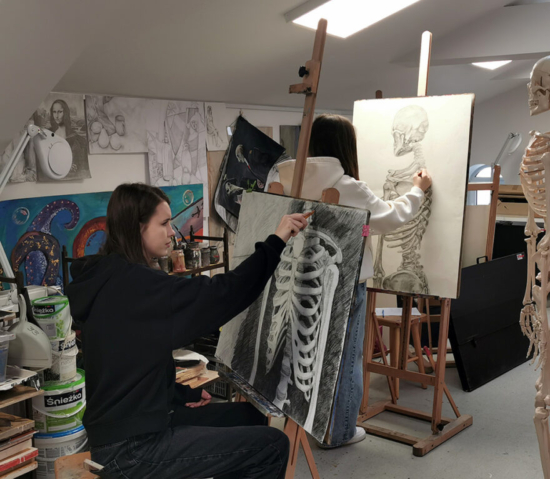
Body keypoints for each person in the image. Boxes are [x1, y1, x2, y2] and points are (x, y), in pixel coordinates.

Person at [67, 183, 309, 479]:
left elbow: (129, 360)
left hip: (127, 429)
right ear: (138, 228)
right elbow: (225, 293)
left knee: (249, 415)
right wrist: (276, 241)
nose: (172, 232)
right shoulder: (139, 286)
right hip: (132, 450)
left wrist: (180, 394)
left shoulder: (108, 278)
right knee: (273, 446)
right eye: (164, 223)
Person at [265, 114, 432, 448]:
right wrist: (417, 191)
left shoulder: (281, 178)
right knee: (344, 358)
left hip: (289, 275)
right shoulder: (346, 186)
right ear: (345, 146)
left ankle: (303, 423)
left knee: (298, 354)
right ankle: (340, 431)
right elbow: (390, 217)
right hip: (342, 281)